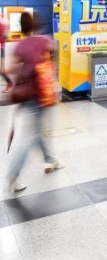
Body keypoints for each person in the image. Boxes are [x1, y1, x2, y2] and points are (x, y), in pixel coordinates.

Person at [6, 12, 63, 193]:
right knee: (30, 136)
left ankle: (50, 159)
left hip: (27, 95)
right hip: (43, 95)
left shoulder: (19, 46)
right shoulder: (46, 41)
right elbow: (52, 66)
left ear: (21, 27)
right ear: (35, 25)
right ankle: (12, 177)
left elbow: (10, 69)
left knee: (37, 130)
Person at [0, 13, 11, 93]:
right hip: (2, 47)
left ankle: (9, 82)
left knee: (2, 70)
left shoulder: (2, 22)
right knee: (2, 69)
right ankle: (9, 83)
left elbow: (4, 36)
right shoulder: (4, 20)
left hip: (1, 47)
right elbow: (6, 35)